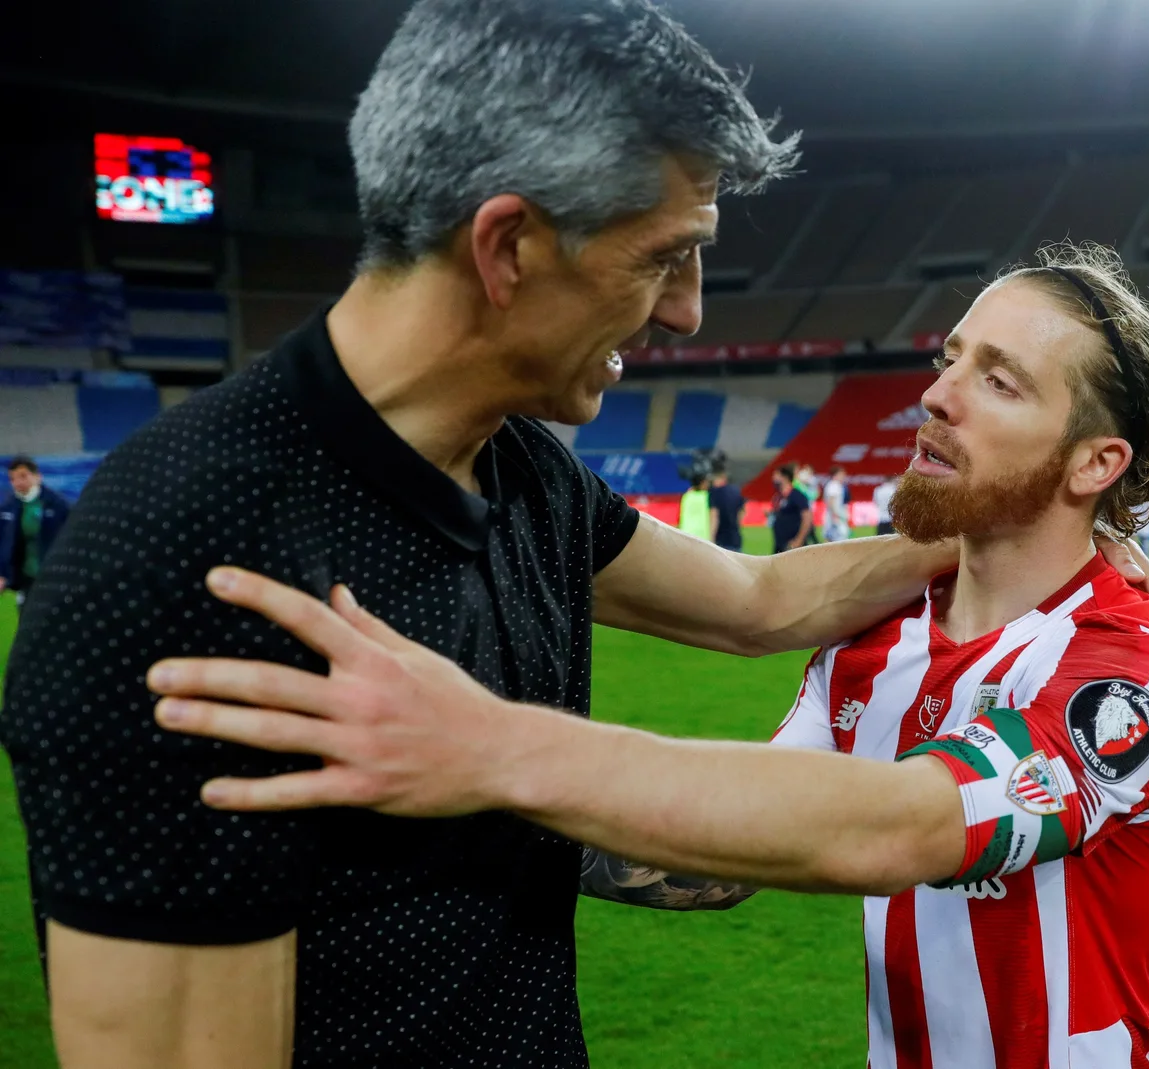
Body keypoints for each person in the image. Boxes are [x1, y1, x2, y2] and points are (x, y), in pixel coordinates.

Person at [0, 5, 979, 1067]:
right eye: (665, 258)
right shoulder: (190, 561)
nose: (688, 314)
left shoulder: (523, 465)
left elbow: (758, 602)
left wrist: (1007, 524)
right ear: (507, 246)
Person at [145, 242, 1149, 1066]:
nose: (936, 394)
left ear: (1095, 462)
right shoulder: (876, 641)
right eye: (948, 359)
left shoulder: (1127, 671)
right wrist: (401, 812)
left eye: (1001, 381)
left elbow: (904, 827)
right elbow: (732, 843)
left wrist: (491, 746)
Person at [0, 456, 71, 609]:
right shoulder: (8, 508)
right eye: (13, 479)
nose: (18, 482)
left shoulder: (58, 505)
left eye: (23, 476)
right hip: (25, 576)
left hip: (54, 575)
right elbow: (3, 543)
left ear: (37, 477)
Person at [770, 463, 813, 553]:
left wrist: (799, 539)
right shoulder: (778, 496)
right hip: (779, 544)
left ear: (785, 477)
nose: (773, 478)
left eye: (776, 475)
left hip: (793, 545)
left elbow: (807, 518)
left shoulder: (797, 495)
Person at [706, 465, 745, 551]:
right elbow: (741, 513)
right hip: (735, 538)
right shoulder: (737, 491)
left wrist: (711, 538)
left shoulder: (714, 493)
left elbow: (714, 516)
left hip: (721, 539)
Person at [677, 472, 712, 541]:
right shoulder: (707, 496)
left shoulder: (686, 496)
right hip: (702, 534)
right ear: (702, 483)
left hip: (686, 532)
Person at [822, 464, 852, 542]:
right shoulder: (834, 485)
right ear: (836, 474)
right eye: (842, 474)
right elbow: (831, 501)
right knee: (838, 540)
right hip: (835, 517)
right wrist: (835, 515)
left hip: (834, 515)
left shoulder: (832, 485)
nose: (844, 476)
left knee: (830, 540)